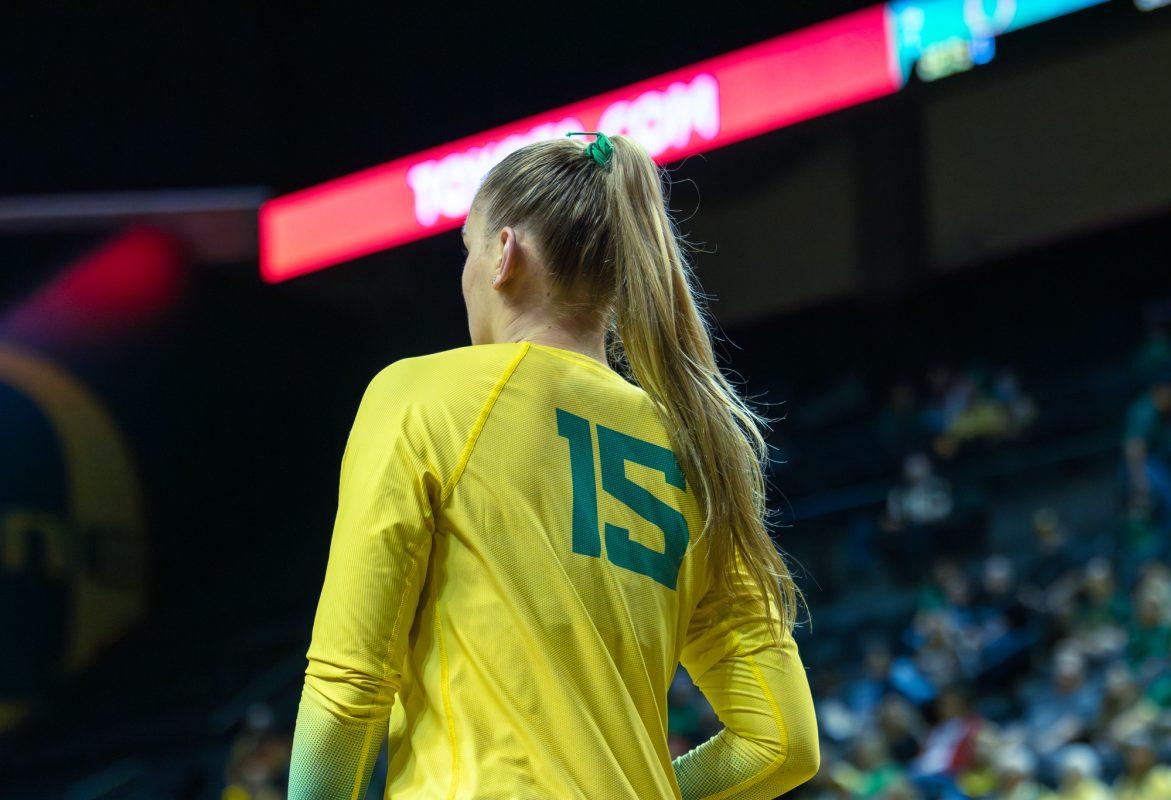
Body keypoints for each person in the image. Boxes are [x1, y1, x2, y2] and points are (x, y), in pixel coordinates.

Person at [286, 133, 819, 799]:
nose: (466, 275)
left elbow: (347, 691)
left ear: (504, 254)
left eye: (468, 250)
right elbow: (783, 743)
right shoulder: (701, 452)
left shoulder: (420, 397)